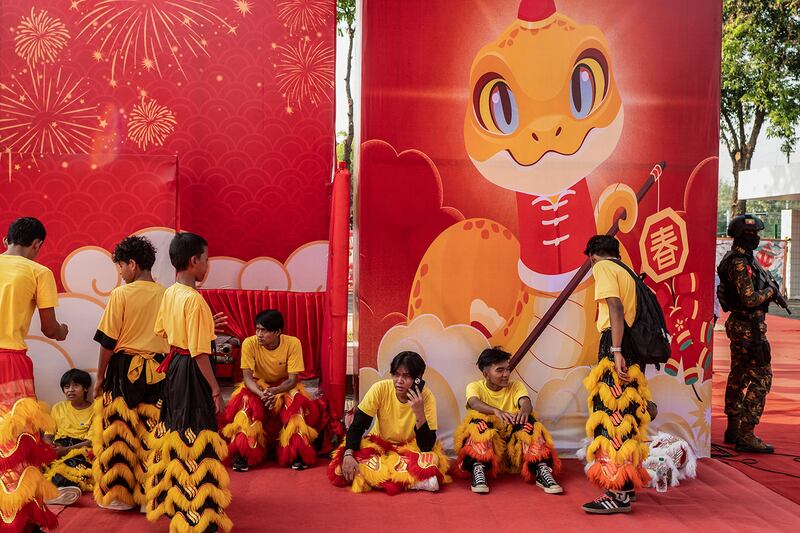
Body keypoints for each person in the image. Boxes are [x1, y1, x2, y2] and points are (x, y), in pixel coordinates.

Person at [144, 232, 232, 532]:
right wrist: (215, 388)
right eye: (206, 260)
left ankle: (179, 504)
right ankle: (199, 514)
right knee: (198, 433)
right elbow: (199, 353)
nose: (207, 265)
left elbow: (164, 331)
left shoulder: (170, 293)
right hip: (193, 372)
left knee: (178, 433)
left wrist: (206, 326)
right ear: (194, 261)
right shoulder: (194, 301)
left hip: (175, 369)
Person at [91, 236, 170, 511]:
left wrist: (100, 377)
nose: (121, 273)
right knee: (155, 431)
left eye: (121, 267)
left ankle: (120, 495)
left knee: (119, 431)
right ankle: (153, 496)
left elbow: (107, 341)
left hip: (124, 368)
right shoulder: (167, 294)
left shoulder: (121, 294)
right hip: (160, 370)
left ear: (133, 265)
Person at [0, 216, 68, 532]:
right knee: (16, 442)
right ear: (37, 244)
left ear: (6, 240)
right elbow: (50, 328)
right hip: (10, 361)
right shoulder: (38, 272)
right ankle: (16, 520)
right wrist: (64, 331)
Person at [580, 235, 651, 514]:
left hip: (617, 345)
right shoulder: (627, 271)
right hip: (633, 348)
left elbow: (615, 307)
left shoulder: (603, 268)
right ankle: (626, 486)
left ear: (592, 256)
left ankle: (616, 494)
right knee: (628, 417)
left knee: (612, 420)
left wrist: (616, 349)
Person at [328, 351, 450, 495]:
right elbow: (358, 425)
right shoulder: (380, 389)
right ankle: (410, 482)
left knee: (432, 460)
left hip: (409, 451)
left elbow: (426, 446)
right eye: (396, 374)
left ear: (418, 379)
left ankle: (379, 479)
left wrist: (419, 412)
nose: (399, 380)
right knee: (342, 465)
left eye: (406, 376)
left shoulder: (427, 397)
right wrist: (348, 454)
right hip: (380, 449)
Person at [221, 309, 325, 472]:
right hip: (257, 385)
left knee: (295, 401)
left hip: (283, 386)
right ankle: (243, 453)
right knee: (245, 403)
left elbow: (292, 380)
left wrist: (275, 391)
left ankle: (296, 453)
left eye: (264, 330)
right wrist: (263, 394)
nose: (259, 334)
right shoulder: (249, 343)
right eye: (257, 329)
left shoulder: (293, 343)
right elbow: (247, 378)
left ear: (277, 332)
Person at [453, 347, 562, 495]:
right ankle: (478, 469)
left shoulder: (516, 386)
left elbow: (525, 402)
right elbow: (473, 402)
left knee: (530, 423)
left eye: (507, 369)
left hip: (513, 452)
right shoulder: (475, 387)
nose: (506, 374)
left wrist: (524, 412)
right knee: (479, 424)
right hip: (491, 452)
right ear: (486, 374)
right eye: (500, 370)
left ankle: (540, 468)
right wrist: (496, 411)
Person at [717, 214, 775, 453]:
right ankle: (747, 433)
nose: (757, 238)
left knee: (739, 375)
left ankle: (733, 427)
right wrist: (770, 292)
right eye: (753, 235)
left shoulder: (738, 258)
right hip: (749, 328)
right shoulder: (740, 262)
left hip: (742, 325)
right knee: (761, 378)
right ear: (745, 236)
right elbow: (749, 298)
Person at [43, 369, 95, 506]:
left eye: (75, 386)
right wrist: (49, 446)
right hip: (59, 445)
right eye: (67, 387)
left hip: (80, 448)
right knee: (37, 463)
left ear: (86, 388)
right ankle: (50, 493)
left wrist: (65, 450)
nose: (70, 390)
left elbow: (91, 442)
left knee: (70, 466)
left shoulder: (96, 409)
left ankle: (59, 492)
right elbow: (48, 434)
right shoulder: (58, 407)